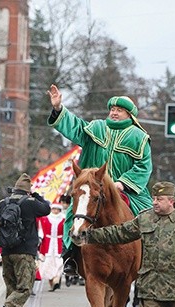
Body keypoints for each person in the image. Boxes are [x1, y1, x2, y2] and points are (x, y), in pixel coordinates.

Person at [47, 84, 153, 276]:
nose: (114, 113)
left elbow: (144, 167)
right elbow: (76, 128)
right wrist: (58, 109)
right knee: (74, 214)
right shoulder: (96, 127)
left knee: (148, 217)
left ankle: (147, 260)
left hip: (126, 189)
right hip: (92, 186)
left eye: (119, 110)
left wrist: (122, 183)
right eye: (112, 109)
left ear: (130, 115)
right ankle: (71, 254)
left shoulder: (140, 138)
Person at [0, 173, 50, 307]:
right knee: (24, 288)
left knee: (12, 288)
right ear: (28, 190)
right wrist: (36, 195)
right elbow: (46, 209)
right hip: (24, 252)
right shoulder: (31, 203)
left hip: (7, 251)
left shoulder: (4, 202)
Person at [37, 203, 64, 291]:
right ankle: (52, 283)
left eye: (57, 209)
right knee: (47, 263)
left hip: (59, 243)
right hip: (47, 244)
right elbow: (40, 230)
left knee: (59, 263)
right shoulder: (45, 219)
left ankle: (56, 280)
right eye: (54, 209)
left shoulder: (64, 219)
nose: (55, 211)